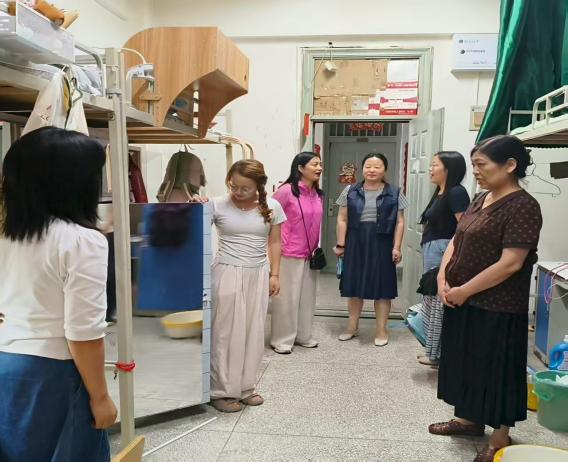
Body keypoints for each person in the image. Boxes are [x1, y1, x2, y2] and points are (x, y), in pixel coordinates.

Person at [0, 127, 117, 462]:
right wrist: (100, 397)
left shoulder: (6, 233)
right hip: (50, 372)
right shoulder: (81, 241)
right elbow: (83, 333)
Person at [429, 135, 542, 462]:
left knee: (496, 368)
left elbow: (511, 263)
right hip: (462, 299)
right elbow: (456, 238)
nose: (475, 171)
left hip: (498, 305)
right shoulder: (481, 199)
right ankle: (468, 420)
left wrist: (465, 289)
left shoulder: (523, 206)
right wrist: (442, 277)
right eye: (474, 164)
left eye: (482, 164)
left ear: (510, 165)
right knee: (467, 361)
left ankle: (499, 435)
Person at [210, 159, 286, 413]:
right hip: (227, 272)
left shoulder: (272, 206)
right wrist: (195, 207)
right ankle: (220, 390)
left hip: (258, 274)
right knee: (225, 333)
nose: (238, 192)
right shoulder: (216, 204)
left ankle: (245, 387)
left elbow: (275, 242)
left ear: (258, 186)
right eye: (233, 186)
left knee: (253, 332)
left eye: (245, 188)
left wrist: (275, 274)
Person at [334, 153, 407, 346]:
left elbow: (400, 222)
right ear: (362, 169)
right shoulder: (349, 190)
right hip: (355, 241)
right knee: (354, 286)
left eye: (377, 166)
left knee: (382, 288)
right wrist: (341, 244)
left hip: (382, 242)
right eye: (368, 166)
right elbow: (342, 218)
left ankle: (382, 330)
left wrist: (397, 247)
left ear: (385, 169)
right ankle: (352, 326)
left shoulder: (395, 192)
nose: (372, 170)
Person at [417, 151, 469, 366]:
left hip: (443, 252)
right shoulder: (440, 192)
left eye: (434, 165)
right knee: (431, 301)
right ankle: (435, 351)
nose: (430, 169)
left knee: (439, 301)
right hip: (433, 250)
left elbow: (464, 229)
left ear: (449, 169)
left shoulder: (456, 192)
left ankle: (439, 354)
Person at [270, 152, 324, 354]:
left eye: (320, 164)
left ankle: (303, 335)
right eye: (314, 164)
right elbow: (270, 216)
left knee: (306, 298)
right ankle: (282, 340)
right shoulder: (286, 191)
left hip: (310, 254)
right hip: (289, 252)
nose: (319, 168)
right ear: (300, 168)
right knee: (287, 299)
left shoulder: (316, 193)